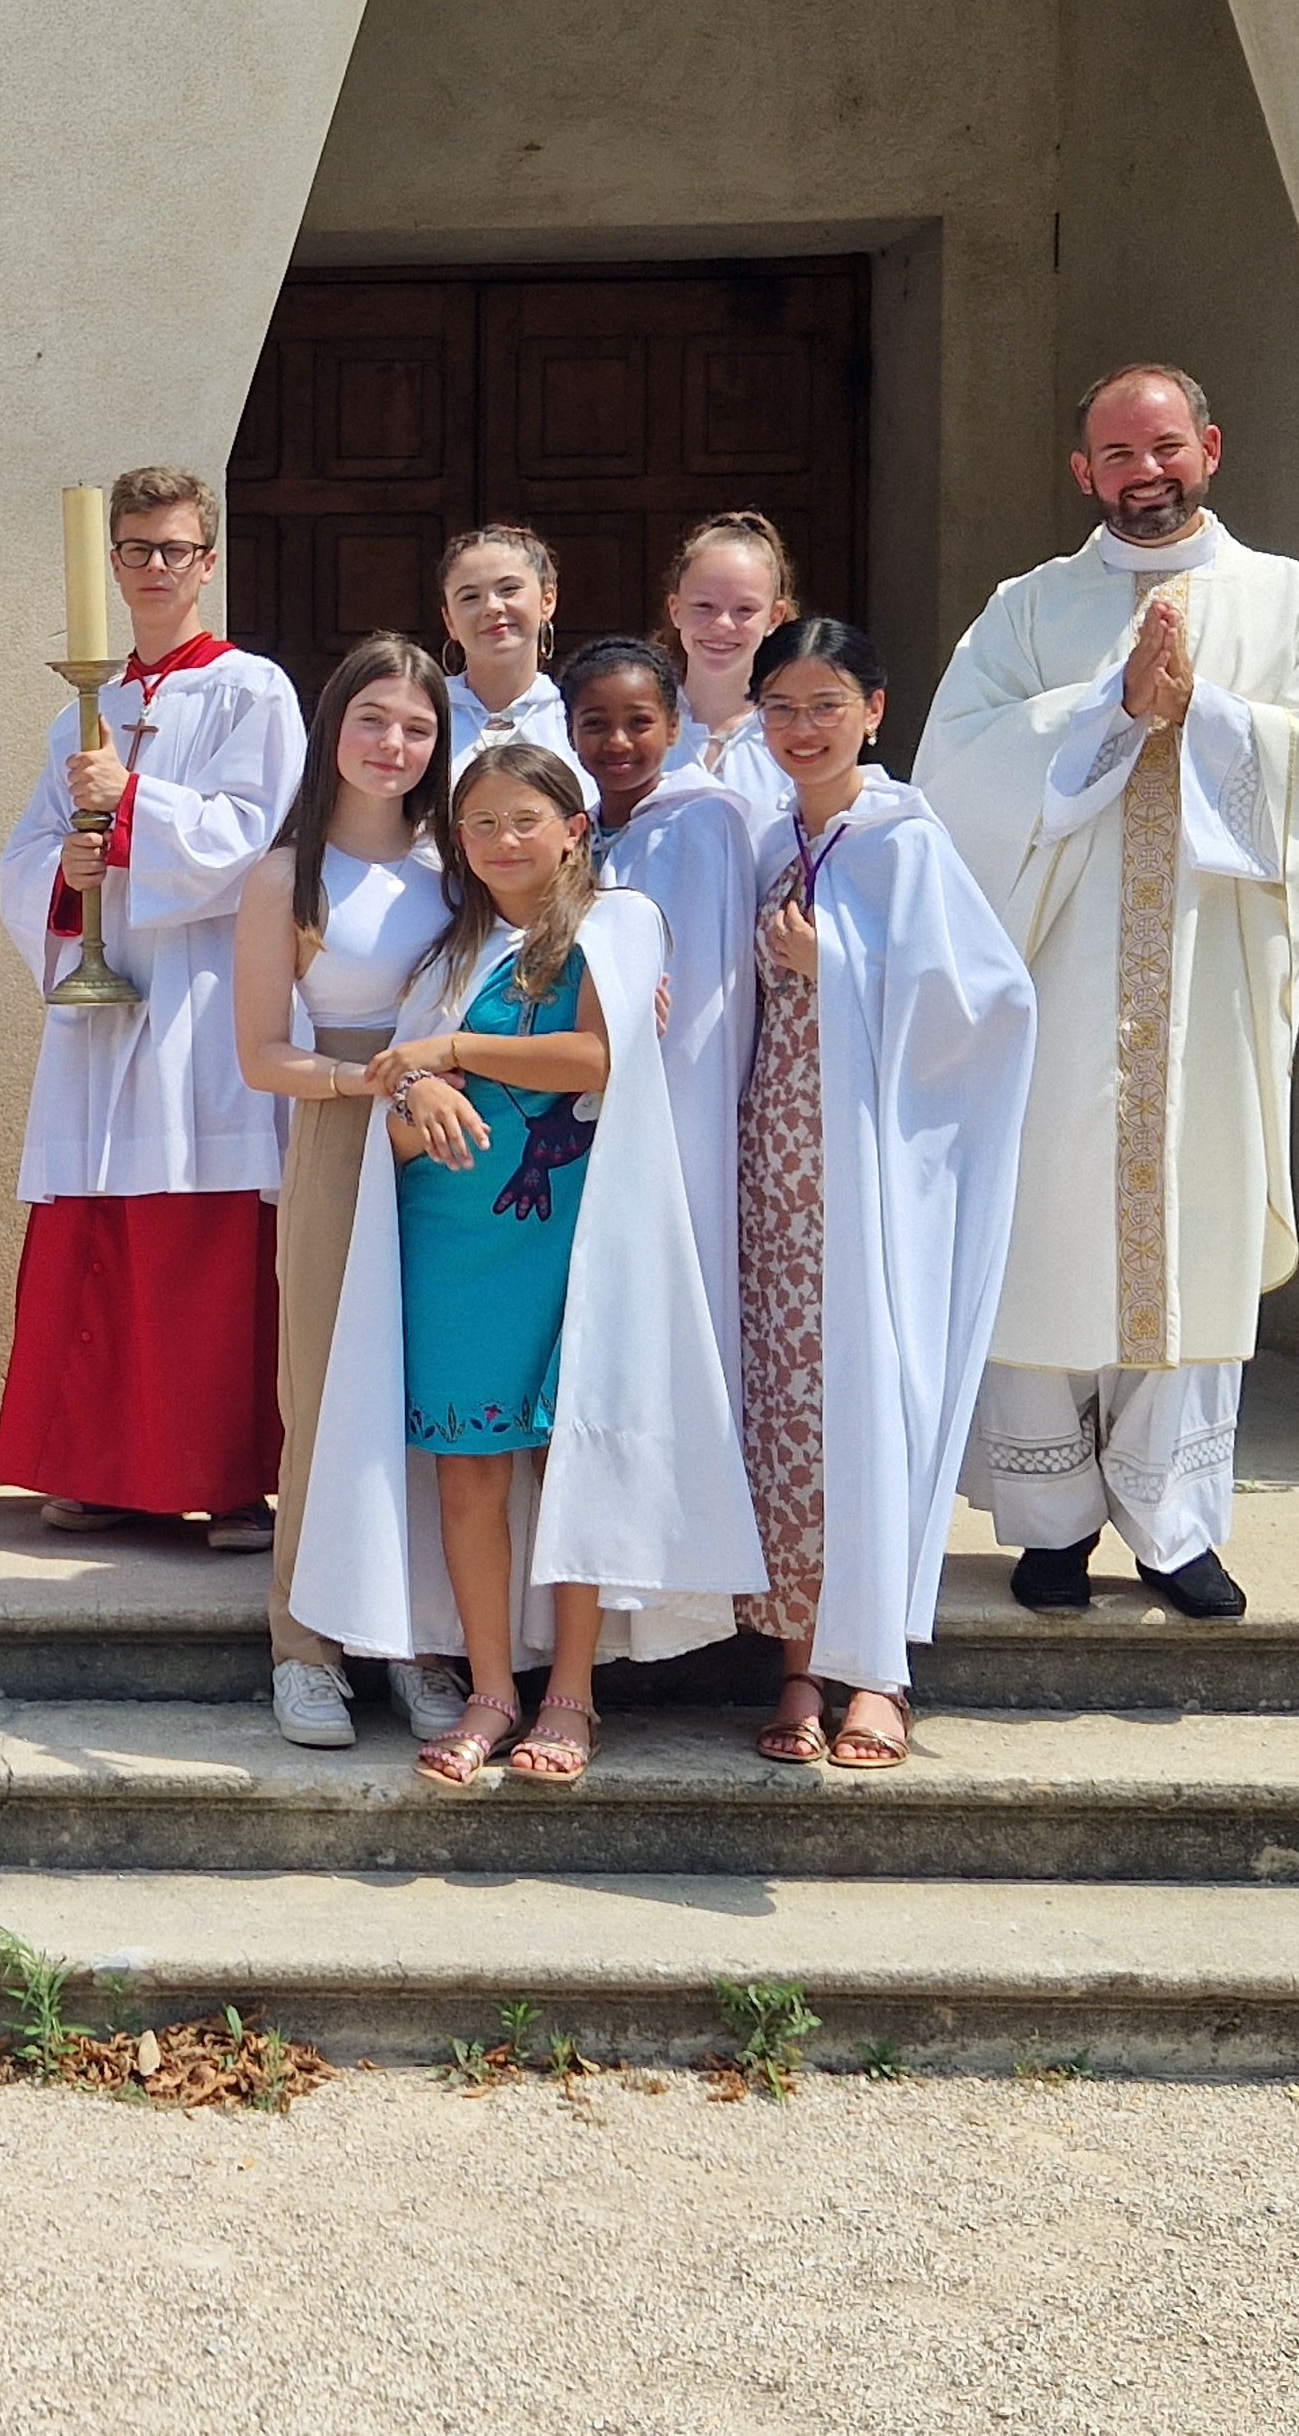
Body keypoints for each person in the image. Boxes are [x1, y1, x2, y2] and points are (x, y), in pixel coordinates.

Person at [916, 363, 1299, 1620]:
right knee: (1048, 1237)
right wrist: (1108, 711)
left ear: (1209, 448)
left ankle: (1174, 1529)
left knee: (1190, 1235)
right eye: (1118, 454)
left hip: (1206, 979)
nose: (1145, 473)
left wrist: (1210, 716)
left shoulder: (1292, 601)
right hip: (1057, 982)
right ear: (1083, 471)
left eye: (1165, 447)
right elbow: (954, 769)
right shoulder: (1027, 609)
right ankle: (1051, 1526)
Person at [332, 742, 751, 1791]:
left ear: (572, 828)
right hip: (448, 1229)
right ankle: (489, 1689)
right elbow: (395, 1082)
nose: (502, 841)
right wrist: (413, 1087)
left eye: (524, 819)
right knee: (468, 1466)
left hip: (572, 1233)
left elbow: (596, 1058)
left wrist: (452, 1053)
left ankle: (569, 1690)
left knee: (568, 1456)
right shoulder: (448, 956)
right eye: (479, 824)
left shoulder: (619, 922)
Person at [735, 618, 1038, 1769]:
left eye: (825, 705)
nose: (801, 728)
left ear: (873, 710)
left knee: (870, 1400)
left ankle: (879, 1672)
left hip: (866, 1176)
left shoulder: (904, 843)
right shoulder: (771, 841)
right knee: (787, 1411)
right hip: (774, 1169)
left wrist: (841, 967)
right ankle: (797, 1661)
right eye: (780, 707)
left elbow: (991, 1004)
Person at [0, 463, 305, 1544]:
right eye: (135, 550)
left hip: (202, 994)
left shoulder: (253, 691)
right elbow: (28, 850)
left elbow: (252, 836)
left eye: (174, 549)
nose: (154, 567)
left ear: (206, 563)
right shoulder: (85, 711)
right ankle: (95, 1468)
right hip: (105, 999)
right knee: (94, 1232)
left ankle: (224, 1475)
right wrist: (64, 874)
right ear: (112, 565)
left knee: (199, 1242)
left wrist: (129, 805)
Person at [228, 634, 458, 1750]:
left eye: (416, 726)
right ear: (332, 729)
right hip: (343, 1126)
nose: (392, 744)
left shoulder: (460, 859)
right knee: (325, 1393)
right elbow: (260, 1053)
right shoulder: (287, 874)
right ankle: (307, 1646)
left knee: (435, 1394)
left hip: (457, 1134)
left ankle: (419, 1642)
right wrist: (361, 1081)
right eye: (372, 719)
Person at [566, 635, 765, 1411]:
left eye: (639, 721)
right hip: (582, 1085)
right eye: (595, 723)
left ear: (674, 726)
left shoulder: (704, 823)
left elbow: (711, 985)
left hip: (677, 1086)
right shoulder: (577, 831)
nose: (617, 742)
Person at [659, 512, 801, 824]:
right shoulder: (641, 727)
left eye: (744, 609)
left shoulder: (794, 733)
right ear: (676, 609)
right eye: (704, 606)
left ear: (774, 617)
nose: (722, 624)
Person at [436, 524, 578, 782]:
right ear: (449, 621)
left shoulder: (578, 714)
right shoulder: (423, 715)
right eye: (470, 597)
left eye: (509, 589)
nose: (492, 607)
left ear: (547, 600)